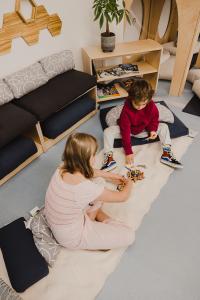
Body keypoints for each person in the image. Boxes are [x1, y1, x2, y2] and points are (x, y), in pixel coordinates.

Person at [44, 132, 134, 250]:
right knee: (129, 235)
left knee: (99, 181)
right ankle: (97, 221)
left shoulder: (63, 167)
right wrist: (130, 180)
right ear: (85, 159)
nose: (95, 158)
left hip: (57, 221)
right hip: (72, 237)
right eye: (93, 155)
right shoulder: (84, 188)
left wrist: (111, 176)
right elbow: (122, 196)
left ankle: (93, 218)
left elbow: (89, 172)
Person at [101, 79, 183, 171]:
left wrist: (152, 130)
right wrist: (128, 152)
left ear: (148, 100)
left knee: (164, 127)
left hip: (144, 130)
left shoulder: (151, 106)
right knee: (108, 132)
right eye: (136, 104)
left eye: (143, 104)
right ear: (131, 98)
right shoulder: (126, 110)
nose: (140, 107)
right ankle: (109, 159)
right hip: (129, 131)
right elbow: (125, 131)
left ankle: (167, 154)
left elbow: (154, 119)